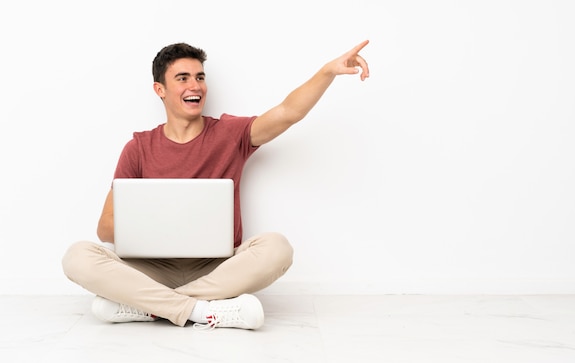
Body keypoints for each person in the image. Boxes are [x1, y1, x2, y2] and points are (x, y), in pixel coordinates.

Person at [62, 40, 370, 330]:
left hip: (217, 269)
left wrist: (328, 71)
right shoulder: (139, 147)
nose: (195, 86)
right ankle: (200, 311)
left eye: (199, 77)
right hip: (151, 269)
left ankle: (148, 306)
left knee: (277, 248)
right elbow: (105, 228)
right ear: (160, 89)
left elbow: (288, 113)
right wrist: (160, 225)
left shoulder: (230, 133)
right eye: (182, 78)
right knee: (78, 256)